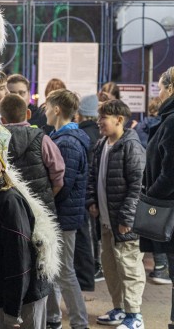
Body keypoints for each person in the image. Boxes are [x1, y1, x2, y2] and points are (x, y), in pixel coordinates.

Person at [0, 122, 51, 329]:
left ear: (3, 163)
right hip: (8, 295)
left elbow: (19, 260)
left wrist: (12, 312)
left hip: (24, 299)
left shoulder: (8, 201)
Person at [86, 99, 146, 329]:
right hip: (106, 222)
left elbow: (138, 186)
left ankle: (135, 316)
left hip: (123, 224)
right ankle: (120, 309)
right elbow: (93, 176)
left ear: (119, 120)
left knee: (129, 268)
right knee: (111, 268)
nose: (99, 122)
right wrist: (92, 201)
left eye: (103, 118)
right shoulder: (102, 144)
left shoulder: (131, 146)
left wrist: (126, 219)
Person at [44, 89, 90, 329]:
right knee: (54, 270)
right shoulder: (62, 138)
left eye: (47, 105)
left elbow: (63, 184)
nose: (44, 110)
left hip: (64, 217)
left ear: (57, 109)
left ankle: (80, 323)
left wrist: (46, 206)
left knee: (64, 272)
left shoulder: (69, 142)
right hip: (62, 216)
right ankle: (53, 319)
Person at [138, 67, 174, 329]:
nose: (158, 93)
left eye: (160, 87)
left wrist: (151, 196)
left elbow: (170, 172)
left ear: (171, 88)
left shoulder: (172, 121)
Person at [0, 93, 65, 214]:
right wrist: (49, 195)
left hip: (8, 208)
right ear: (28, 114)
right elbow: (58, 172)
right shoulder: (42, 138)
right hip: (41, 209)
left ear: (2, 120)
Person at [74, 94, 101, 290]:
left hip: (83, 194)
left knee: (84, 236)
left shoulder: (83, 135)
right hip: (95, 193)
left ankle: (85, 278)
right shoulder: (98, 135)